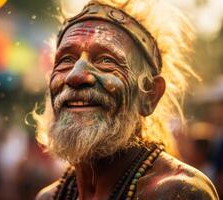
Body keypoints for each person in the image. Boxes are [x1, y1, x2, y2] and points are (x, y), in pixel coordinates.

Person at [34, 0, 219, 199]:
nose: (75, 76)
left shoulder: (176, 192)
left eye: (106, 60)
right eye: (66, 60)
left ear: (149, 95)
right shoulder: (50, 196)